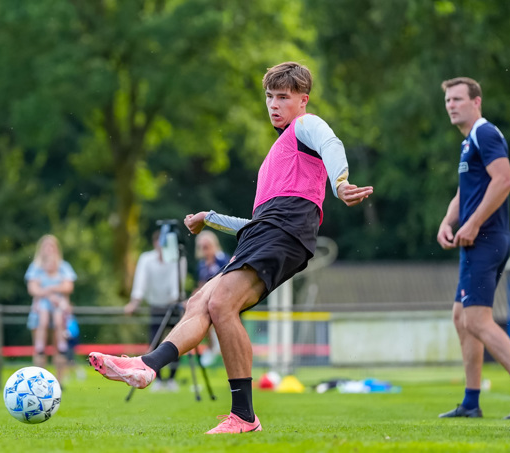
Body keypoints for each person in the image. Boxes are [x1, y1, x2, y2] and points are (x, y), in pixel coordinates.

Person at [89, 62, 373, 433]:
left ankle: (243, 415)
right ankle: (148, 366)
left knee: (222, 303)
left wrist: (340, 183)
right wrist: (210, 218)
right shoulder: (278, 153)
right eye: (269, 97)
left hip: (286, 230)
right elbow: (255, 225)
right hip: (269, 230)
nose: (274, 105)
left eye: (283, 97)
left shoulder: (306, 126)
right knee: (200, 302)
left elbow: (331, 143)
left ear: (303, 101)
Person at [437, 77, 510, 419]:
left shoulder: (485, 133)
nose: (451, 105)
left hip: (486, 240)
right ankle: (471, 402)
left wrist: (474, 223)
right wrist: (448, 221)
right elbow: (464, 192)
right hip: (476, 241)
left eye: (458, 99)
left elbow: (504, 180)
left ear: (476, 101)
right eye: (448, 100)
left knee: (477, 320)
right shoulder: (469, 142)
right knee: (461, 317)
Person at [123, 230, 187, 392]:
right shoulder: (146, 259)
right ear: (155, 243)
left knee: (176, 343)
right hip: (156, 306)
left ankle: (171, 379)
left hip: (174, 306)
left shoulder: (177, 259)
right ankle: (157, 379)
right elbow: (140, 281)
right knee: (154, 344)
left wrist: (178, 300)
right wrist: (135, 302)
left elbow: (177, 284)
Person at [25, 234, 77, 384]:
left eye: (51, 246)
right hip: (40, 311)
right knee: (39, 348)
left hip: (58, 310)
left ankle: (59, 382)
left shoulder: (64, 266)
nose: (48, 249)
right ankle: (38, 382)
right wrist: (52, 293)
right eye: (45, 246)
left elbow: (68, 287)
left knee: (59, 347)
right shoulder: (35, 267)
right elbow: (32, 289)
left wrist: (47, 290)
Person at [194, 230, 230, 367]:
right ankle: (212, 344)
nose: (205, 250)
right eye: (202, 247)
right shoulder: (202, 265)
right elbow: (201, 285)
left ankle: (218, 345)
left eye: (207, 246)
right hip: (208, 300)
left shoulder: (223, 259)